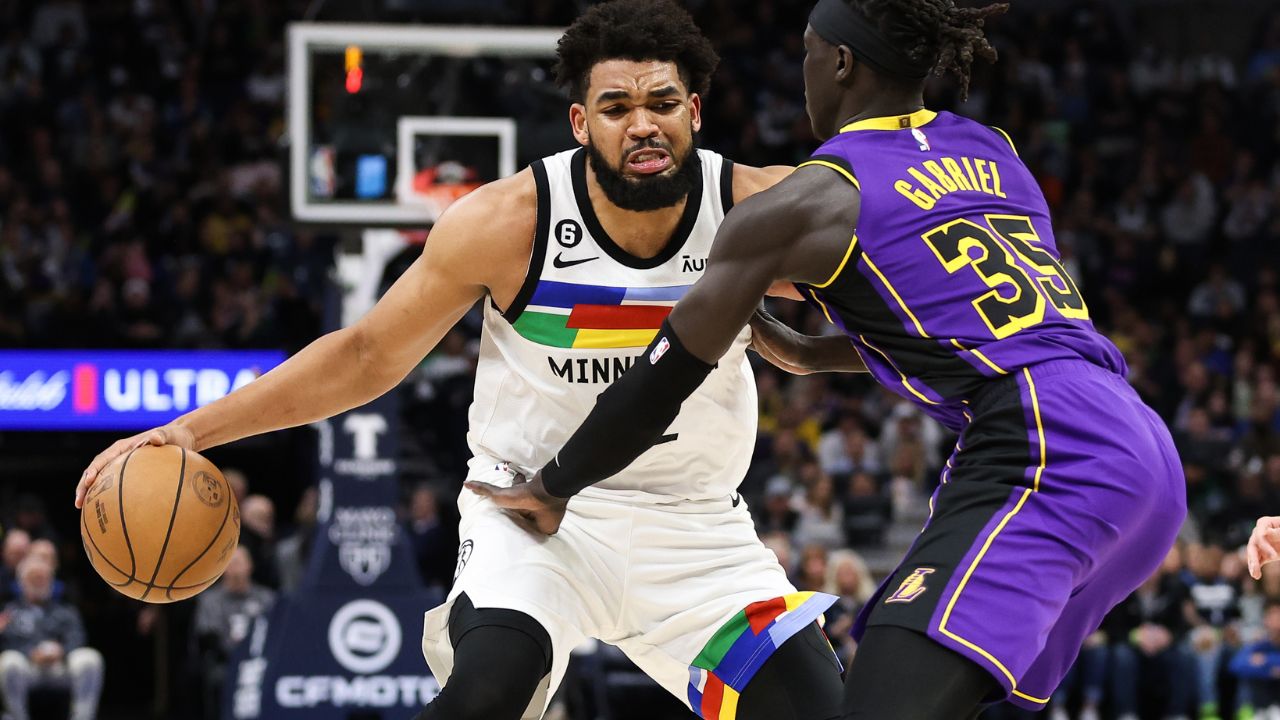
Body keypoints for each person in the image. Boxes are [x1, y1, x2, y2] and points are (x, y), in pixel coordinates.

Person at [75, 2, 846, 719]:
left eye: (663, 103)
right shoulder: (508, 222)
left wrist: (814, 355)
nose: (643, 124)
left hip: (696, 530)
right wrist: (191, 432)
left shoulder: (760, 209)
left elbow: (901, 313)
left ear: (695, 112)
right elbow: (366, 353)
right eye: (617, 107)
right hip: (536, 520)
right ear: (581, 123)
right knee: (485, 696)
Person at [468, 0, 1188, 717]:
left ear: (840, 62)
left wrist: (555, 484)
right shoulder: (992, 149)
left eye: (808, 52)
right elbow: (991, 328)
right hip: (1140, 448)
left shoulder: (814, 198)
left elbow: (665, 380)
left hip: (1042, 451)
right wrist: (813, 354)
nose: (802, 70)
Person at [0, 556, 103, 720]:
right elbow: (7, 642)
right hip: (28, 667)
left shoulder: (66, 611)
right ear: (21, 582)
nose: (39, 582)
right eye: (34, 578)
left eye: (44, 578)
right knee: (8, 661)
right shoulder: (9, 612)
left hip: (60, 667)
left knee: (89, 658)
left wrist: (62, 650)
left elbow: (77, 638)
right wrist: (31, 652)